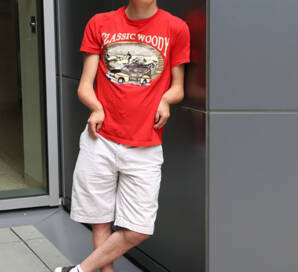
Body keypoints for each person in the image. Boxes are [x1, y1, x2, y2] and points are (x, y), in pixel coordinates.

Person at [54, 1, 190, 272]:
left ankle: (79, 271)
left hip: (146, 144)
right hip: (100, 140)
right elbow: (84, 86)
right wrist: (95, 108)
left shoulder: (176, 27)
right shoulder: (100, 23)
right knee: (100, 218)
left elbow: (178, 88)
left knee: (139, 228)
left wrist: (165, 100)